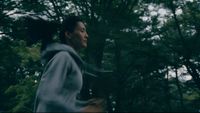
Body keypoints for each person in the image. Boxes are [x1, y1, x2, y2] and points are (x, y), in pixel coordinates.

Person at [24, 15, 106, 112]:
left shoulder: (73, 61)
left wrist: (86, 104)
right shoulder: (63, 57)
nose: (86, 35)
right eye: (82, 31)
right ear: (68, 34)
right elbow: (48, 95)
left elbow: (66, 100)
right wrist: (83, 111)